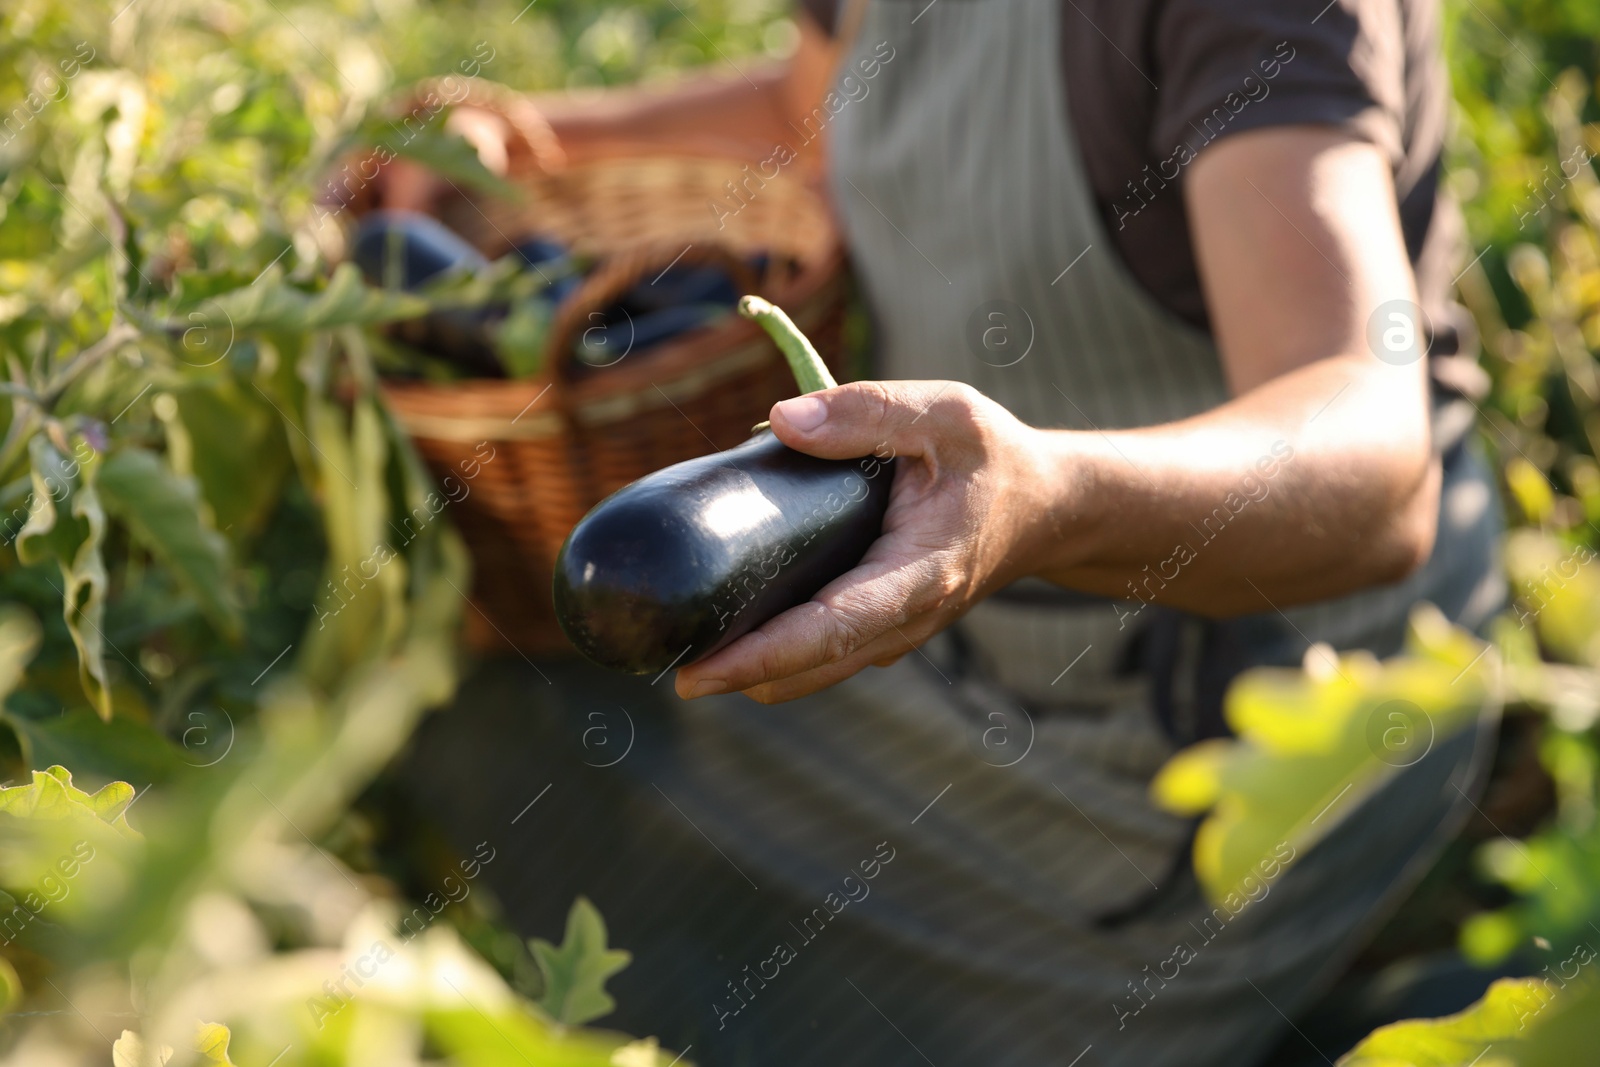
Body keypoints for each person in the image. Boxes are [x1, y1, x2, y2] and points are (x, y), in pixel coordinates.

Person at [394, 1, 1505, 1064]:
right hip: (957, 599)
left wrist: (1045, 493)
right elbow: (812, 107)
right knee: (455, 715)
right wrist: (521, 140)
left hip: (1229, 725)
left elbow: (1367, 449)